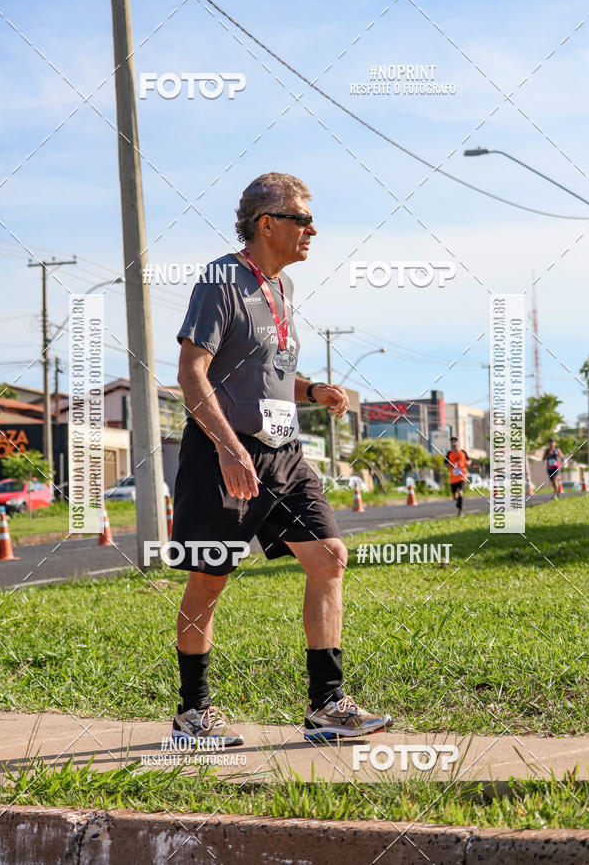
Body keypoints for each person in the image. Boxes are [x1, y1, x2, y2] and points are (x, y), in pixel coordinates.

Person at [171, 172, 393, 746]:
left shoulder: (283, 290)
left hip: (284, 454)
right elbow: (192, 374)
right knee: (209, 580)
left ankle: (327, 705)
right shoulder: (221, 281)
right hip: (224, 454)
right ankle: (193, 714)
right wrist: (227, 447)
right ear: (267, 225)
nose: (312, 230)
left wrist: (312, 390)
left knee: (328, 558)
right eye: (302, 219)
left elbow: (264, 371)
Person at [445, 437, 470, 517]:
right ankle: (459, 504)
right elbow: (445, 463)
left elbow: (468, 460)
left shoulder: (463, 452)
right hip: (453, 478)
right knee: (454, 497)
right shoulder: (449, 453)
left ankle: (460, 509)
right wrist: (450, 465)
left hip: (462, 476)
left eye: (455, 442)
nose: (454, 443)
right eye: (452, 442)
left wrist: (468, 463)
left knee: (460, 491)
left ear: (458, 443)